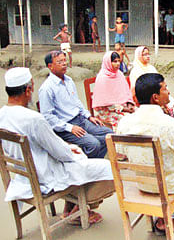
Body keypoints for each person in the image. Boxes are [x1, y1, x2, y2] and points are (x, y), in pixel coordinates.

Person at [0, 67, 114, 225]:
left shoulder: (2, 114)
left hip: (24, 174)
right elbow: (61, 153)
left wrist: (68, 148)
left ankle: (74, 205)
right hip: (45, 173)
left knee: (82, 155)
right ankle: (79, 209)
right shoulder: (34, 118)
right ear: (27, 90)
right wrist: (72, 151)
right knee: (107, 168)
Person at [117, 73, 174, 235]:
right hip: (169, 186)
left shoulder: (124, 122)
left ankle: (161, 219)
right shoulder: (172, 125)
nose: (169, 92)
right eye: (165, 88)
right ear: (155, 97)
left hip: (141, 184)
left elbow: (121, 153)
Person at [39, 51, 113, 159]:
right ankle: (83, 167)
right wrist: (70, 127)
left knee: (109, 135)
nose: (64, 64)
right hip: (65, 126)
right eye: (60, 62)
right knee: (94, 144)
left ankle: (92, 162)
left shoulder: (69, 80)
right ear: (50, 66)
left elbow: (77, 102)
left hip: (81, 119)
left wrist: (89, 116)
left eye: (65, 60)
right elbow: (48, 117)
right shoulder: (47, 88)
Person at [130, 46, 174, 122]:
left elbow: (160, 82)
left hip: (158, 93)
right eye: (144, 55)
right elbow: (135, 89)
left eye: (148, 54)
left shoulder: (151, 68)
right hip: (147, 98)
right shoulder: (135, 71)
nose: (147, 56)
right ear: (139, 56)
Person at [92, 51, 135, 131]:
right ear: (108, 62)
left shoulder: (119, 74)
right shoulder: (102, 77)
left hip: (123, 106)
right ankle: (120, 141)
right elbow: (104, 103)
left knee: (139, 113)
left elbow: (127, 93)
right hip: (107, 110)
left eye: (119, 61)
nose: (118, 64)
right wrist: (124, 109)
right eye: (115, 61)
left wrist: (129, 104)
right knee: (125, 120)